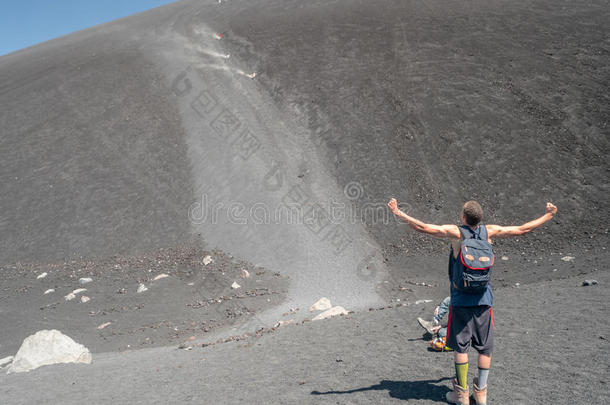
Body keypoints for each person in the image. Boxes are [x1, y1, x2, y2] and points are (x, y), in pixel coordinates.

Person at [388, 198, 557, 405]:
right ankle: (481, 395)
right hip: (484, 301)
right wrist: (548, 215)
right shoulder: (490, 232)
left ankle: (461, 396)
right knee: (485, 348)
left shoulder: (456, 233)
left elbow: (423, 227)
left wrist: (399, 213)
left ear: (462, 217)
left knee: (460, 348)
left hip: (460, 301)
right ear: (480, 218)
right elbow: (522, 229)